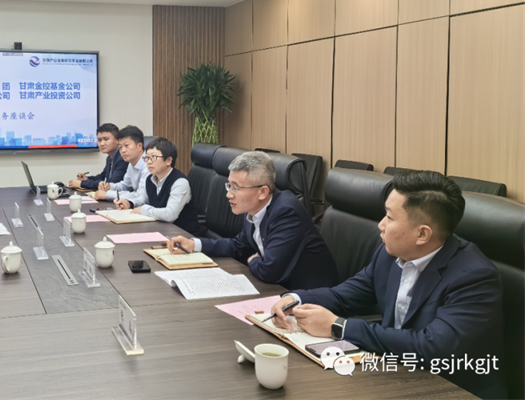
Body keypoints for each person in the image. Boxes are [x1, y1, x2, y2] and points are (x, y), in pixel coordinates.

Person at [269, 171, 505, 400]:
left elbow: (432, 348)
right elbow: (346, 295)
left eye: (390, 218)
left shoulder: (474, 277)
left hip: (450, 389)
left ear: (422, 234)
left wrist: (338, 326)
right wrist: (296, 299)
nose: (380, 225)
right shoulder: (390, 253)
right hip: (396, 374)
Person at [168, 151, 339, 288]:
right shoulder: (253, 207)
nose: (228, 194)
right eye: (229, 186)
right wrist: (194, 244)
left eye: (236, 188)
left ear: (263, 192)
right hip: (276, 288)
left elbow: (269, 271)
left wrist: (253, 260)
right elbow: (238, 245)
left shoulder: (286, 212)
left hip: (308, 297)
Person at [114, 137, 203, 236]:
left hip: (183, 235)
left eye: (153, 157)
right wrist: (129, 203)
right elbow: (144, 200)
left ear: (168, 160)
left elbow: (170, 214)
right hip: (161, 230)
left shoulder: (180, 182)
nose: (149, 162)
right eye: (147, 158)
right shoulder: (150, 179)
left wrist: (144, 210)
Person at [92, 125, 148, 202]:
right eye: (120, 147)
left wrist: (108, 195)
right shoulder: (131, 163)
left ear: (139, 146)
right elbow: (125, 185)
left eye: (126, 146)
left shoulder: (149, 164)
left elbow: (141, 196)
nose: (123, 150)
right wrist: (109, 186)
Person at [68, 123, 127, 191]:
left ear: (117, 140)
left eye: (106, 139)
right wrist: (87, 179)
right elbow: (103, 177)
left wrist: (81, 183)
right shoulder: (110, 158)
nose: (102, 143)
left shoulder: (123, 157)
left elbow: (110, 183)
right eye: (99, 140)